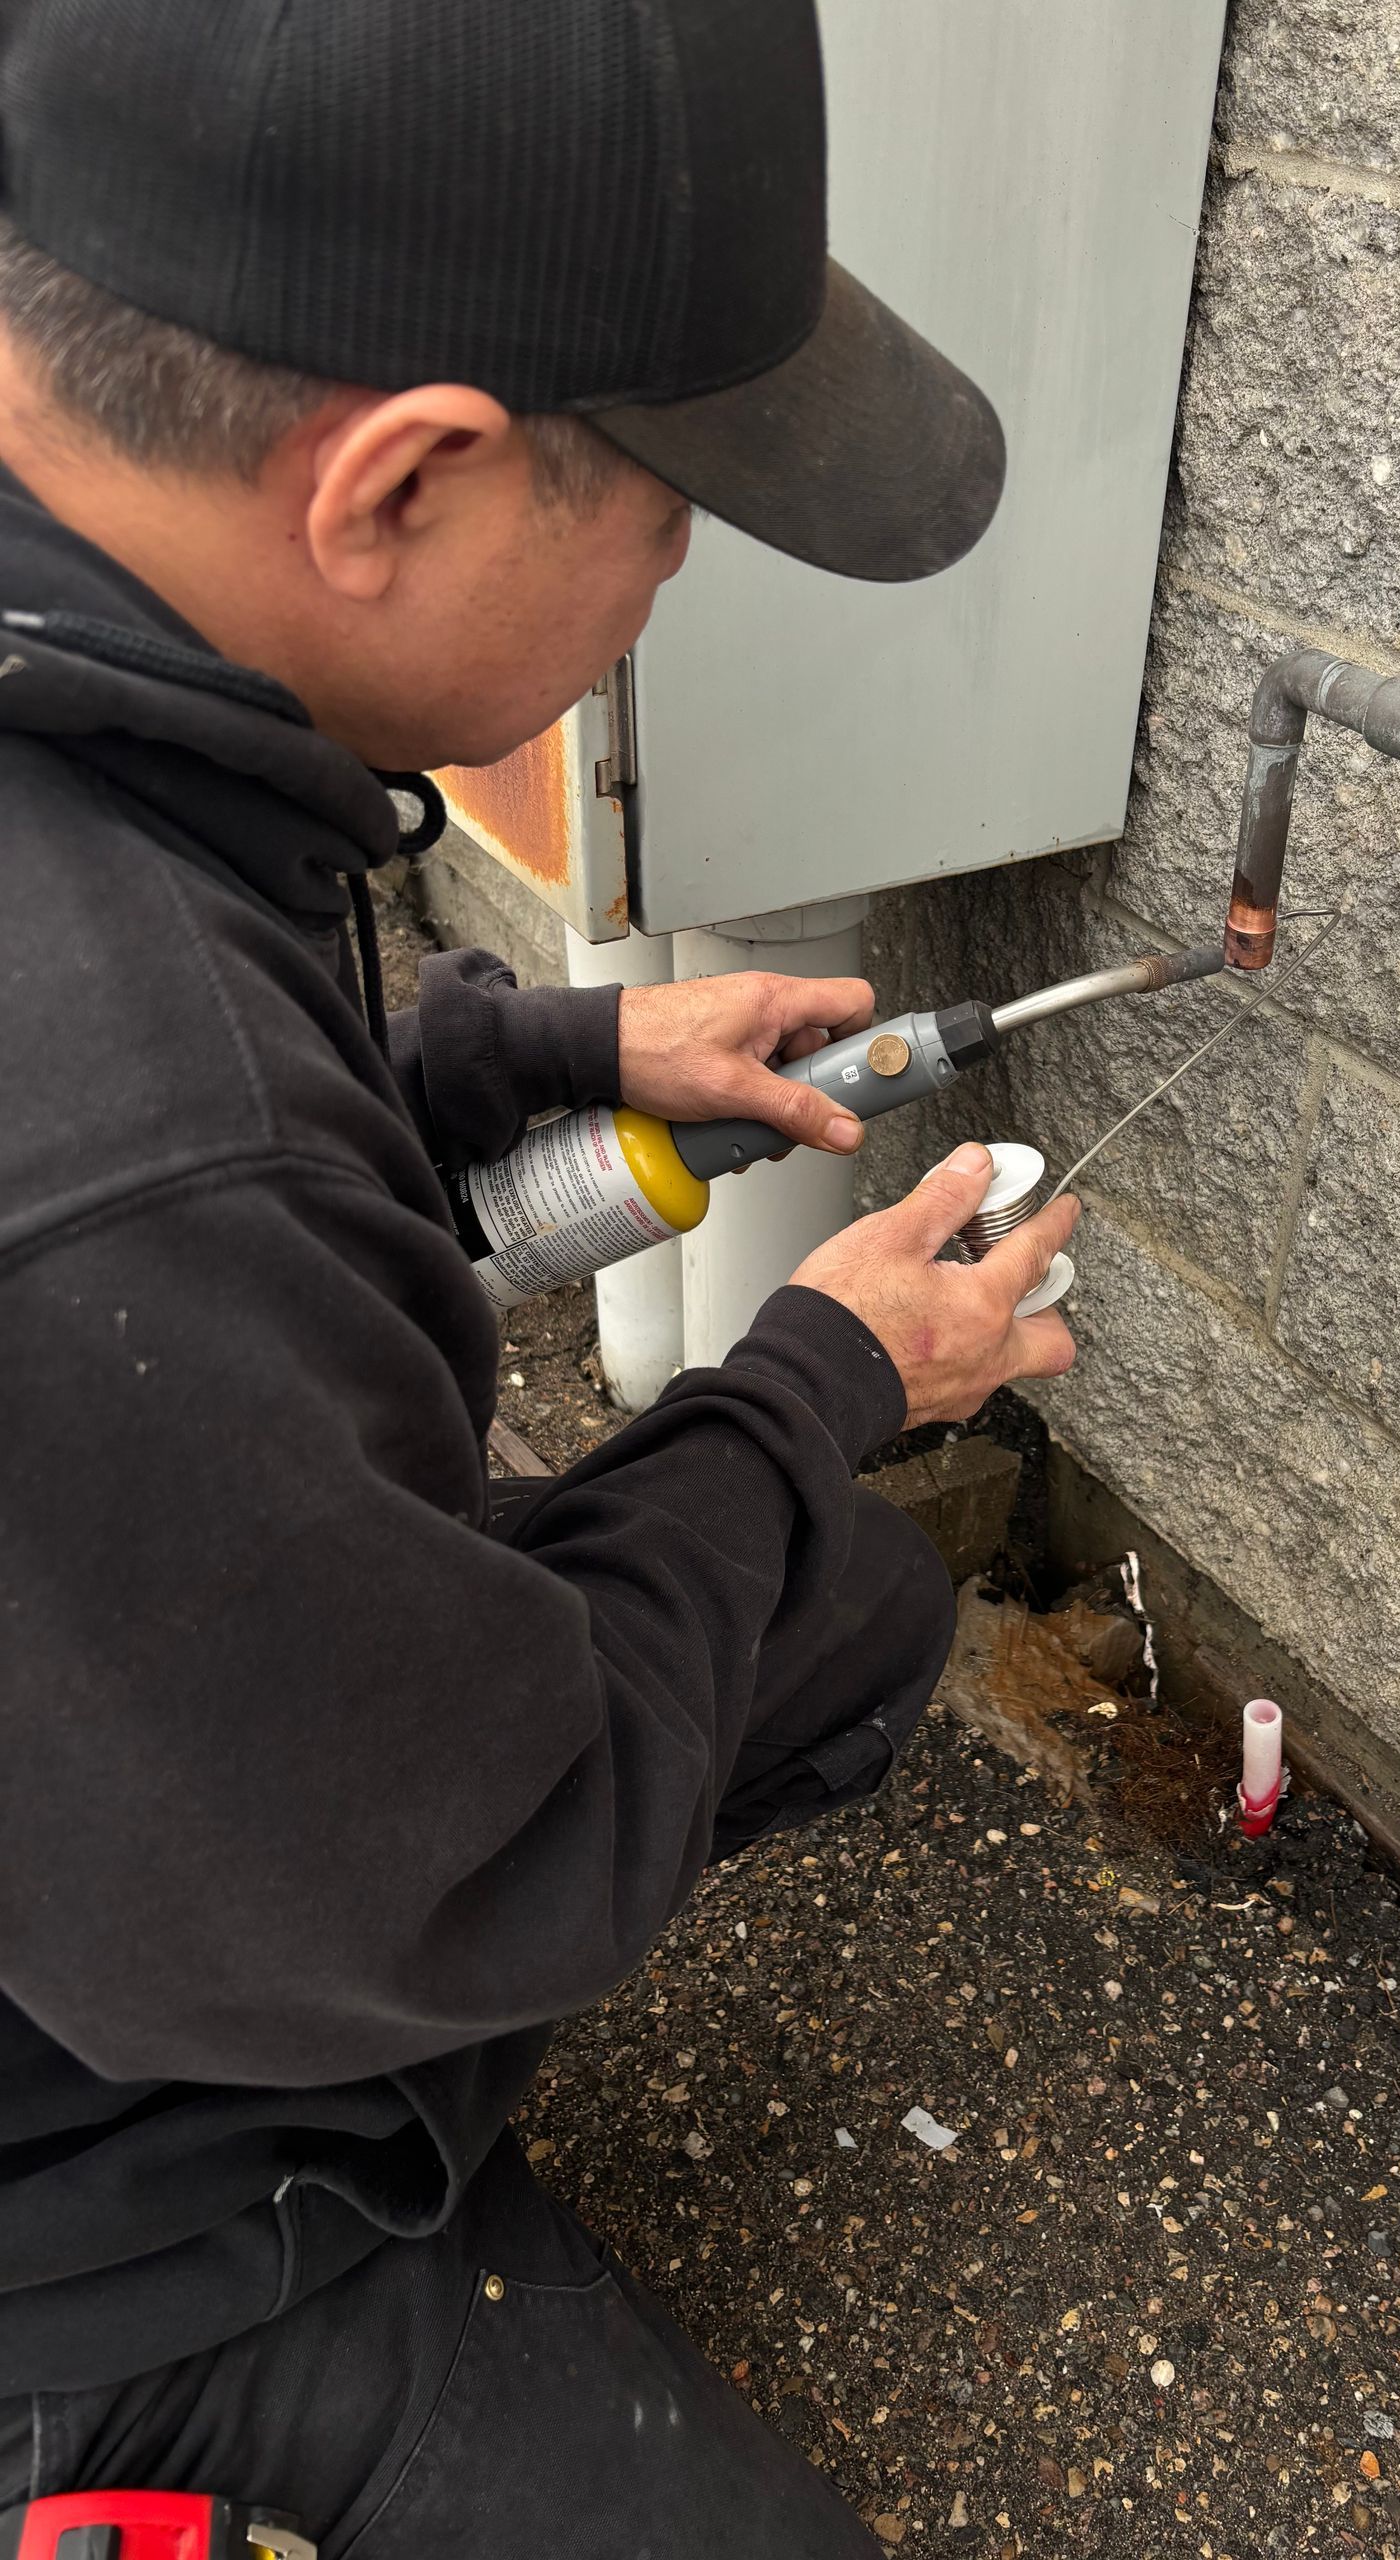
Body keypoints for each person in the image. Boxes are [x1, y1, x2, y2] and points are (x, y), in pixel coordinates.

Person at [0, 0, 1079, 2550]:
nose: (674, 580)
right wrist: (825, 1372)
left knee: (821, 1616)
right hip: (67, 2205)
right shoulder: (126, 1162)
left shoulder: (90, 680)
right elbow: (470, 1834)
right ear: (402, 477)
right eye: (673, 515)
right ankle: (234, 2282)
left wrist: (545, 1041)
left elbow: (193, 1013)